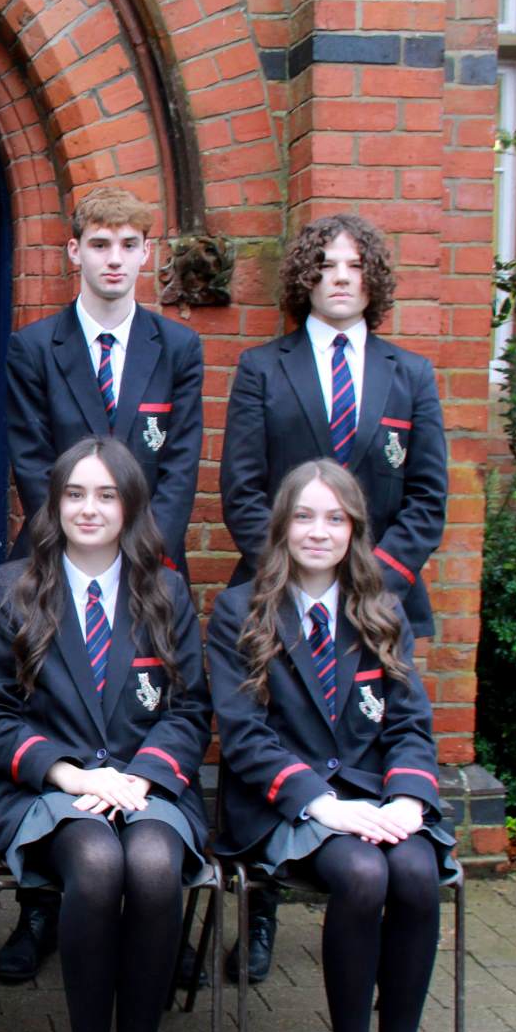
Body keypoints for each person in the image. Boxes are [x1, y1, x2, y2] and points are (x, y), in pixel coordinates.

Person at [0, 437, 211, 1032]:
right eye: (75, 494)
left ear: (130, 505)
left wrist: (143, 778)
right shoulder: (15, 587)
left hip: (146, 788)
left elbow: (190, 709)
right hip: (48, 794)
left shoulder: (164, 591)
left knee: (154, 864)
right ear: (53, 503)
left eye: (106, 495)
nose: (90, 509)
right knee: (100, 862)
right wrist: (70, 776)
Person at [206, 459, 456, 1032]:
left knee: (416, 872)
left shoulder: (382, 607)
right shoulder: (242, 609)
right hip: (288, 803)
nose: (319, 531)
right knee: (363, 876)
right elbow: (243, 736)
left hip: (377, 796)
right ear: (281, 526)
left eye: (335, 519)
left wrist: (407, 799)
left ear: (355, 530)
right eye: (305, 517)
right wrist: (326, 807)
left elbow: (409, 724)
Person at [217, 213, 447, 986]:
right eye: (325, 265)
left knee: (367, 742)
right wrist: (290, 583)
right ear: (304, 279)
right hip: (278, 600)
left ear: (372, 279)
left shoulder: (411, 375)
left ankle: (374, 906)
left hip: (378, 602)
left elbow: (427, 500)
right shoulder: (262, 368)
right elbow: (243, 489)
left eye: (353, 266)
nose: (340, 278)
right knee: (277, 740)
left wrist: (368, 583)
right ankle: (261, 905)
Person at [0, 185, 205, 983]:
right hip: (53, 562)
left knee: (135, 714)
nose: (114, 259)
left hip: (145, 567)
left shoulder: (177, 347)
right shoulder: (34, 348)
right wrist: (67, 542)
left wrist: (142, 553)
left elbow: (179, 463)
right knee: (50, 705)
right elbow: (29, 458)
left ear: (146, 254)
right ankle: (40, 908)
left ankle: (157, 920)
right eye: (99, 244)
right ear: (73, 252)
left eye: (128, 245)